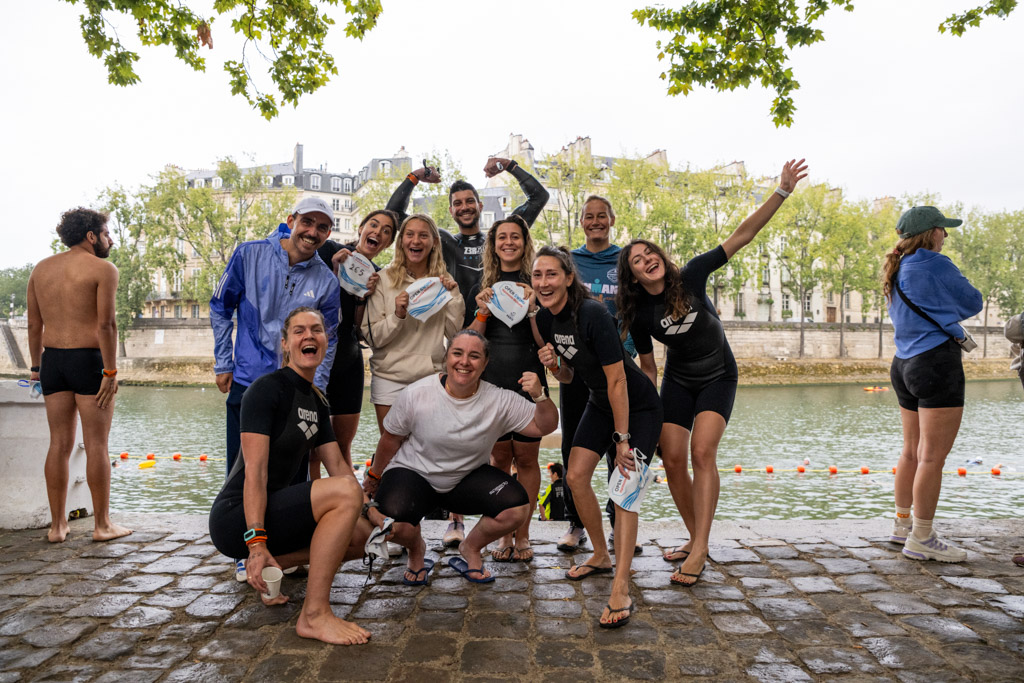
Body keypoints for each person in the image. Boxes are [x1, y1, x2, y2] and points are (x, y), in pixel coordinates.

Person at [616, 159, 808, 586]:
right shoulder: (640, 314)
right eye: (637, 261)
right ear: (631, 275)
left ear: (661, 258)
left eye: (650, 254)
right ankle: (694, 536)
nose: (647, 261)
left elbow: (742, 235)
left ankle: (700, 548)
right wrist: (646, 414)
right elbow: (648, 367)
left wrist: (782, 191)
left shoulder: (692, 276)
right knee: (672, 457)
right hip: (678, 381)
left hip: (719, 375)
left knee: (702, 453)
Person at [209, 307, 378, 645]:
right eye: (299, 331)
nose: (309, 336)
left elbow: (339, 468)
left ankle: (269, 569)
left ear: (326, 342)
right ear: (285, 344)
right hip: (236, 518)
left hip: (274, 511)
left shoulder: (317, 401)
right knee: (345, 492)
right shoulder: (265, 390)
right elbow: (254, 473)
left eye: (316, 329)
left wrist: (375, 513)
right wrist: (256, 543)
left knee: (362, 536)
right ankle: (314, 615)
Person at [361, 330, 558, 584]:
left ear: (485, 364)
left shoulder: (498, 399)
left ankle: (471, 547)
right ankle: (417, 548)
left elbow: (545, 426)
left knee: (517, 507)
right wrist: (374, 475)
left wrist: (540, 396)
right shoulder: (417, 393)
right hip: (414, 474)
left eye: (474, 356)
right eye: (458, 353)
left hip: (466, 480)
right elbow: (390, 439)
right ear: (447, 358)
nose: (464, 362)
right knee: (392, 523)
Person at [210, 196, 340, 580]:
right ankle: (246, 546)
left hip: (299, 388)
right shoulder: (249, 255)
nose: (313, 233)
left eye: (322, 227)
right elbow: (220, 306)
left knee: (295, 474)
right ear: (291, 220)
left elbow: (327, 336)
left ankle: (283, 547)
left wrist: (320, 389)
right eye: (308, 223)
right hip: (251, 380)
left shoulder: (326, 281)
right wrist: (223, 361)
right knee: (246, 469)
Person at [532, 246, 663, 628]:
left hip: (637, 407)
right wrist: (556, 367)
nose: (544, 283)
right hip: (599, 401)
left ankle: (621, 585)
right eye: (538, 276)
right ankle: (601, 555)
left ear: (569, 278)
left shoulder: (592, 313)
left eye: (551, 274)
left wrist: (622, 439)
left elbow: (619, 377)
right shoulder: (545, 318)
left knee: (624, 486)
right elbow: (573, 376)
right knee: (575, 478)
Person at [882, 206, 983, 563]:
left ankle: (902, 525)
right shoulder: (935, 264)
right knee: (932, 457)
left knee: (910, 450)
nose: (946, 235)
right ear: (931, 233)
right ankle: (923, 537)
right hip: (936, 363)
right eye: (943, 229)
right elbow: (974, 302)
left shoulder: (897, 267)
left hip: (903, 364)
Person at [26, 207, 132, 543]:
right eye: (106, 233)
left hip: (52, 362)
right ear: (91, 236)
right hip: (89, 361)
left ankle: (57, 527)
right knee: (97, 444)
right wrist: (110, 371)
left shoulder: (40, 270)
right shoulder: (103, 269)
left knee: (59, 444)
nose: (110, 239)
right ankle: (102, 525)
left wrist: (35, 368)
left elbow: (33, 324)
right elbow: (106, 324)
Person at [557, 195, 634, 554]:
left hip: (617, 369)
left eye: (602, 215)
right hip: (578, 368)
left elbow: (635, 309)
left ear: (612, 220)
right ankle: (577, 523)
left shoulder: (625, 261)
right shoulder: (570, 261)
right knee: (573, 444)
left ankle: (619, 523)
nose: (595, 221)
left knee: (620, 448)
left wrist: (630, 350)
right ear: (582, 223)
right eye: (589, 217)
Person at [468, 215, 545, 562]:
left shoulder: (538, 284)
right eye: (502, 238)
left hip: (529, 380)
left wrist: (533, 309)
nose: (509, 243)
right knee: (499, 459)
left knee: (527, 459)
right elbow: (469, 341)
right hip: (492, 383)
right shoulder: (481, 285)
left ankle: (524, 533)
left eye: (516, 237)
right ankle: (502, 532)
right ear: (493, 244)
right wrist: (482, 311)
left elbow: (547, 339)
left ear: (525, 242)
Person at [360, 214, 463, 433]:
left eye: (423, 235)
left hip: (431, 379)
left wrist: (454, 297)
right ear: (401, 242)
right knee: (392, 451)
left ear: (434, 242)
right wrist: (398, 315)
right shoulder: (382, 280)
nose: (416, 241)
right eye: (410, 235)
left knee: (430, 449)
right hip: (389, 379)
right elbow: (373, 338)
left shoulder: (443, 284)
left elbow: (455, 334)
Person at [315, 210, 397, 477]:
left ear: (388, 243)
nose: (378, 232)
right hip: (315, 354)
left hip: (349, 357)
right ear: (361, 228)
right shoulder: (330, 250)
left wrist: (364, 298)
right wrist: (331, 270)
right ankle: (308, 501)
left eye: (386, 231)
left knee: (342, 444)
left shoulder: (378, 275)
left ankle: (350, 502)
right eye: (373, 225)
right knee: (311, 444)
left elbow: (360, 330)